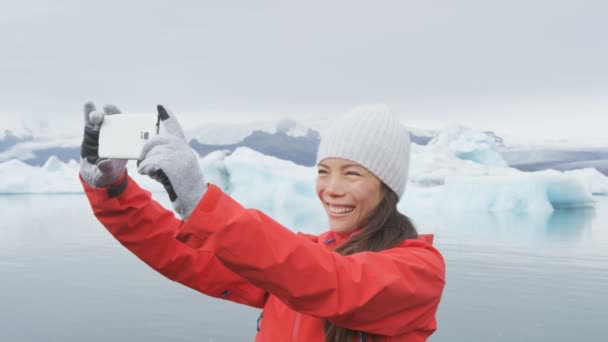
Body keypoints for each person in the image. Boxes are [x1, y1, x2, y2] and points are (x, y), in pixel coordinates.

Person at [79, 102, 446, 342]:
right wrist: (115, 191)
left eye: (352, 174)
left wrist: (203, 203)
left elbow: (330, 280)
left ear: (388, 187)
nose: (332, 189)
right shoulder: (303, 258)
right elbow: (186, 255)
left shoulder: (418, 272)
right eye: (323, 171)